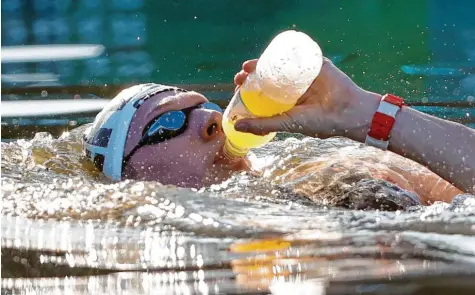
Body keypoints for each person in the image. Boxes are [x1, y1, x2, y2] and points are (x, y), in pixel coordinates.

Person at [82, 58, 473, 208]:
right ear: (126, 177)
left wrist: (364, 115)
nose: (211, 122)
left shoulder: (339, 171)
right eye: (168, 122)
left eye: (204, 107)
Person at [234, 58, 475, 196]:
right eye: (193, 118)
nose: (212, 115)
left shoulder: (303, 175)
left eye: (206, 105)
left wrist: (361, 112)